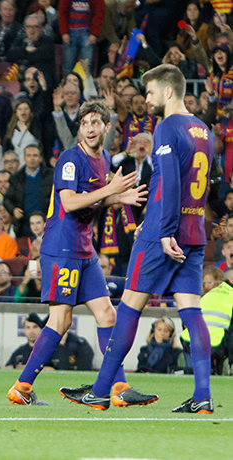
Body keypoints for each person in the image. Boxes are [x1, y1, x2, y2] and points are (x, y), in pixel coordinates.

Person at [61, 65, 216, 414]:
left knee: (130, 304)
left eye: (150, 93)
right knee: (191, 310)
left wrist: (163, 232)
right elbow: (204, 184)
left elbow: (172, 184)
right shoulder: (204, 130)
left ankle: (101, 390)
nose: (146, 100)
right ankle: (203, 394)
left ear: (169, 92)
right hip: (194, 233)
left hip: (162, 231)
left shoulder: (167, 128)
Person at [9, 99, 151, 407]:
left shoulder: (102, 160)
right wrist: (110, 190)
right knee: (60, 321)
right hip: (61, 248)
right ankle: (22, 386)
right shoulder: (70, 159)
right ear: (80, 128)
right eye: (85, 123)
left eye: (95, 123)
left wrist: (118, 197)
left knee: (107, 313)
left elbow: (93, 201)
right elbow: (71, 202)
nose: (89, 128)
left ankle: (118, 387)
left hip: (84, 250)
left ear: (106, 127)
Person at [180, 267, 233, 376]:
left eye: (209, 282)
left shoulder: (203, 298)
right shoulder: (229, 295)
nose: (207, 285)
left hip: (189, 341)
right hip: (217, 343)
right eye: (205, 282)